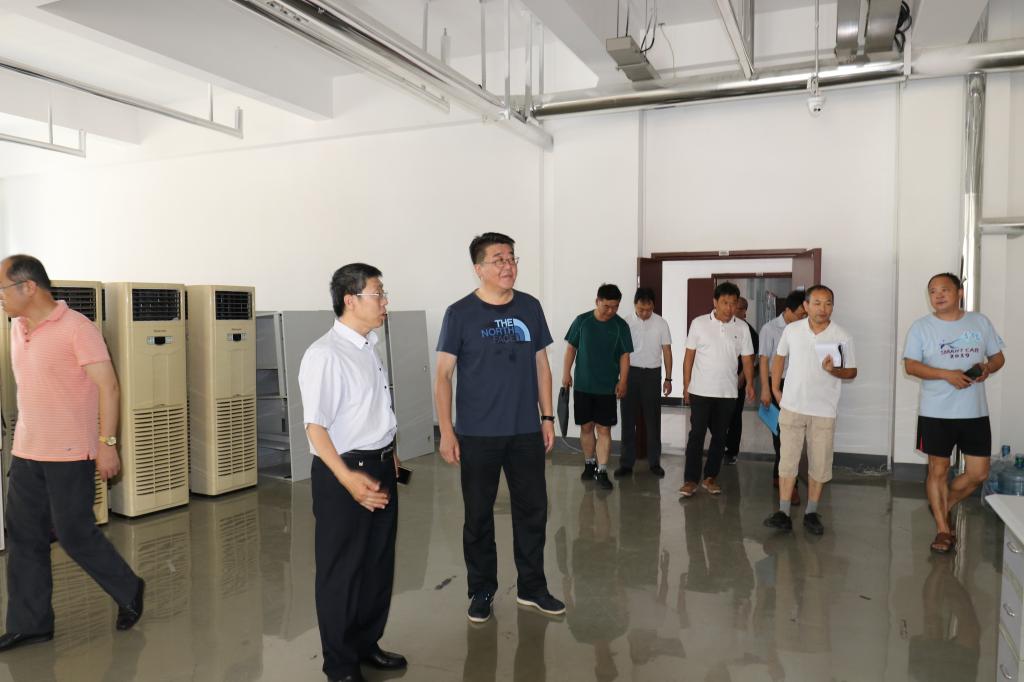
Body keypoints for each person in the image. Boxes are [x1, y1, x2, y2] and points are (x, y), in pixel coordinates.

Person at [0, 255, 144, 653]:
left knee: (74, 533)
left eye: (2, 289)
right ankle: (31, 624)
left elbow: (108, 387)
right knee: (23, 537)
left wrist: (107, 444)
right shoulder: (16, 328)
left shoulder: (78, 328)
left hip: (69, 453)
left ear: (28, 287)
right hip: (27, 450)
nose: (0, 298)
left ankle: (129, 588)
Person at [435, 232, 565, 625]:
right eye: (498, 259)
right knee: (478, 515)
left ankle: (532, 587)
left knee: (533, 511)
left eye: (511, 258)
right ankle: (481, 591)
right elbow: (443, 375)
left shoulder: (530, 307)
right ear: (479, 269)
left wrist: (547, 417)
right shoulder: (459, 313)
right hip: (477, 434)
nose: (508, 266)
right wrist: (447, 431)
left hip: (524, 431)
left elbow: (541, 365)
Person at [298, 263, 406, 682]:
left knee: (377, 566)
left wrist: (390, 454)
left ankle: (365, 644)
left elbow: (372, 410)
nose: (385, 302)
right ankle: (340, 666)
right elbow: (315, 428)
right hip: (345, 473)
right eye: (378, 294)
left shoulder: (367, 346)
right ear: (350, 299)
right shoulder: (325, 354)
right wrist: (348, 479)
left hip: (379, 466)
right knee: (341, 572)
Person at [903, 272, 1005, 554]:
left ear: (959, 293)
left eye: (944, 290)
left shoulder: (980, 322)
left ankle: (942, 504)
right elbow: (911, 366)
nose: (938, 295)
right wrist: (946, 374)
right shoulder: (921, 327)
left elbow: (998, 357)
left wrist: (987, 368)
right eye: (933, 291)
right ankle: (943, 530)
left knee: (978, 473)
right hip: (935, 412)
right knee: (938, 470)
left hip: (974, 412)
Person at [764, 285, 857, 535]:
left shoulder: (841, 335)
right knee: (787, 460)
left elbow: (852, 371)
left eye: (828, 303)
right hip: (792, 406)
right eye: (817, 303)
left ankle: (811, 512)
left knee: (820, 463)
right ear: (806, 306)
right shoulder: (792, 330)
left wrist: (834, 370)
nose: (822, 309)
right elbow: (779, 358)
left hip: (824, 410)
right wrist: (775, 389)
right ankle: (783, 512)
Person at [679, 282, 754, 498]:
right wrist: (686, 386)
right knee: (697, 435)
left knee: (720, 437)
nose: (729, 308)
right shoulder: (699, 324)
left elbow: (747, 359)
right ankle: (690, 480)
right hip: (700, 390)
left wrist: (750, 383)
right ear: (715, 302)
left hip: (727, 392)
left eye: (733, 303)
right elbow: (689, 357)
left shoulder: (742, 328)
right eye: (725, 303)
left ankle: (710, 477)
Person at [563, 284, 633, 491]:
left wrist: (623, 381)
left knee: (604, 429)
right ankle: (589, 464)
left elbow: (625, 355)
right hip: (583, 385)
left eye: (615, 307)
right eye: (607, 306)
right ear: (597, 302)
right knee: (586, 427)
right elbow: (571, 348)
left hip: (607, 387)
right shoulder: (582, 321)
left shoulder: (621, 326)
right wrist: (566, 373)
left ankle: (602, 471)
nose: (611, 311)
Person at [617, 287, 673, 479]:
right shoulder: (625, 322)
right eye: (641, 309)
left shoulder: (661, 323)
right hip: (630, 374)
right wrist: (620, 379)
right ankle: (626, 464)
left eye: (648, 309)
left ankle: (654, 463)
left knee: (653, 421)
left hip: (652, 375)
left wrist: (668, 378)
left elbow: (667, 351)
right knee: (628, 420)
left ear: (653, 306)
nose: (644, 313)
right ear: (635, 305)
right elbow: (620, 352)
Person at [758, 290, 807, 503]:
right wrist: (766, 389)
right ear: (787, 310)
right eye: (800, 314)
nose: (803, 318)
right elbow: (763, 360)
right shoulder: (769, 329)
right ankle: (789, 484)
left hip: (797, 386)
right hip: (777, 384)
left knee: (792, 435)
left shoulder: (805, 329)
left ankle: (781, 478)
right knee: (781, 436)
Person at [724, 296, 759, 465]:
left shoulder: (749, 331)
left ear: (744, 311)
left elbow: (751, 358)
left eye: (736, 308)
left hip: (737, 379)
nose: (731, 310)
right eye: (730, 306)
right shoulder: (725, 326)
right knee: (716, 414)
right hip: (721, 379)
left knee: (735, 416)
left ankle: (732, 451)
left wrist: (743, 377)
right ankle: (722, 442)